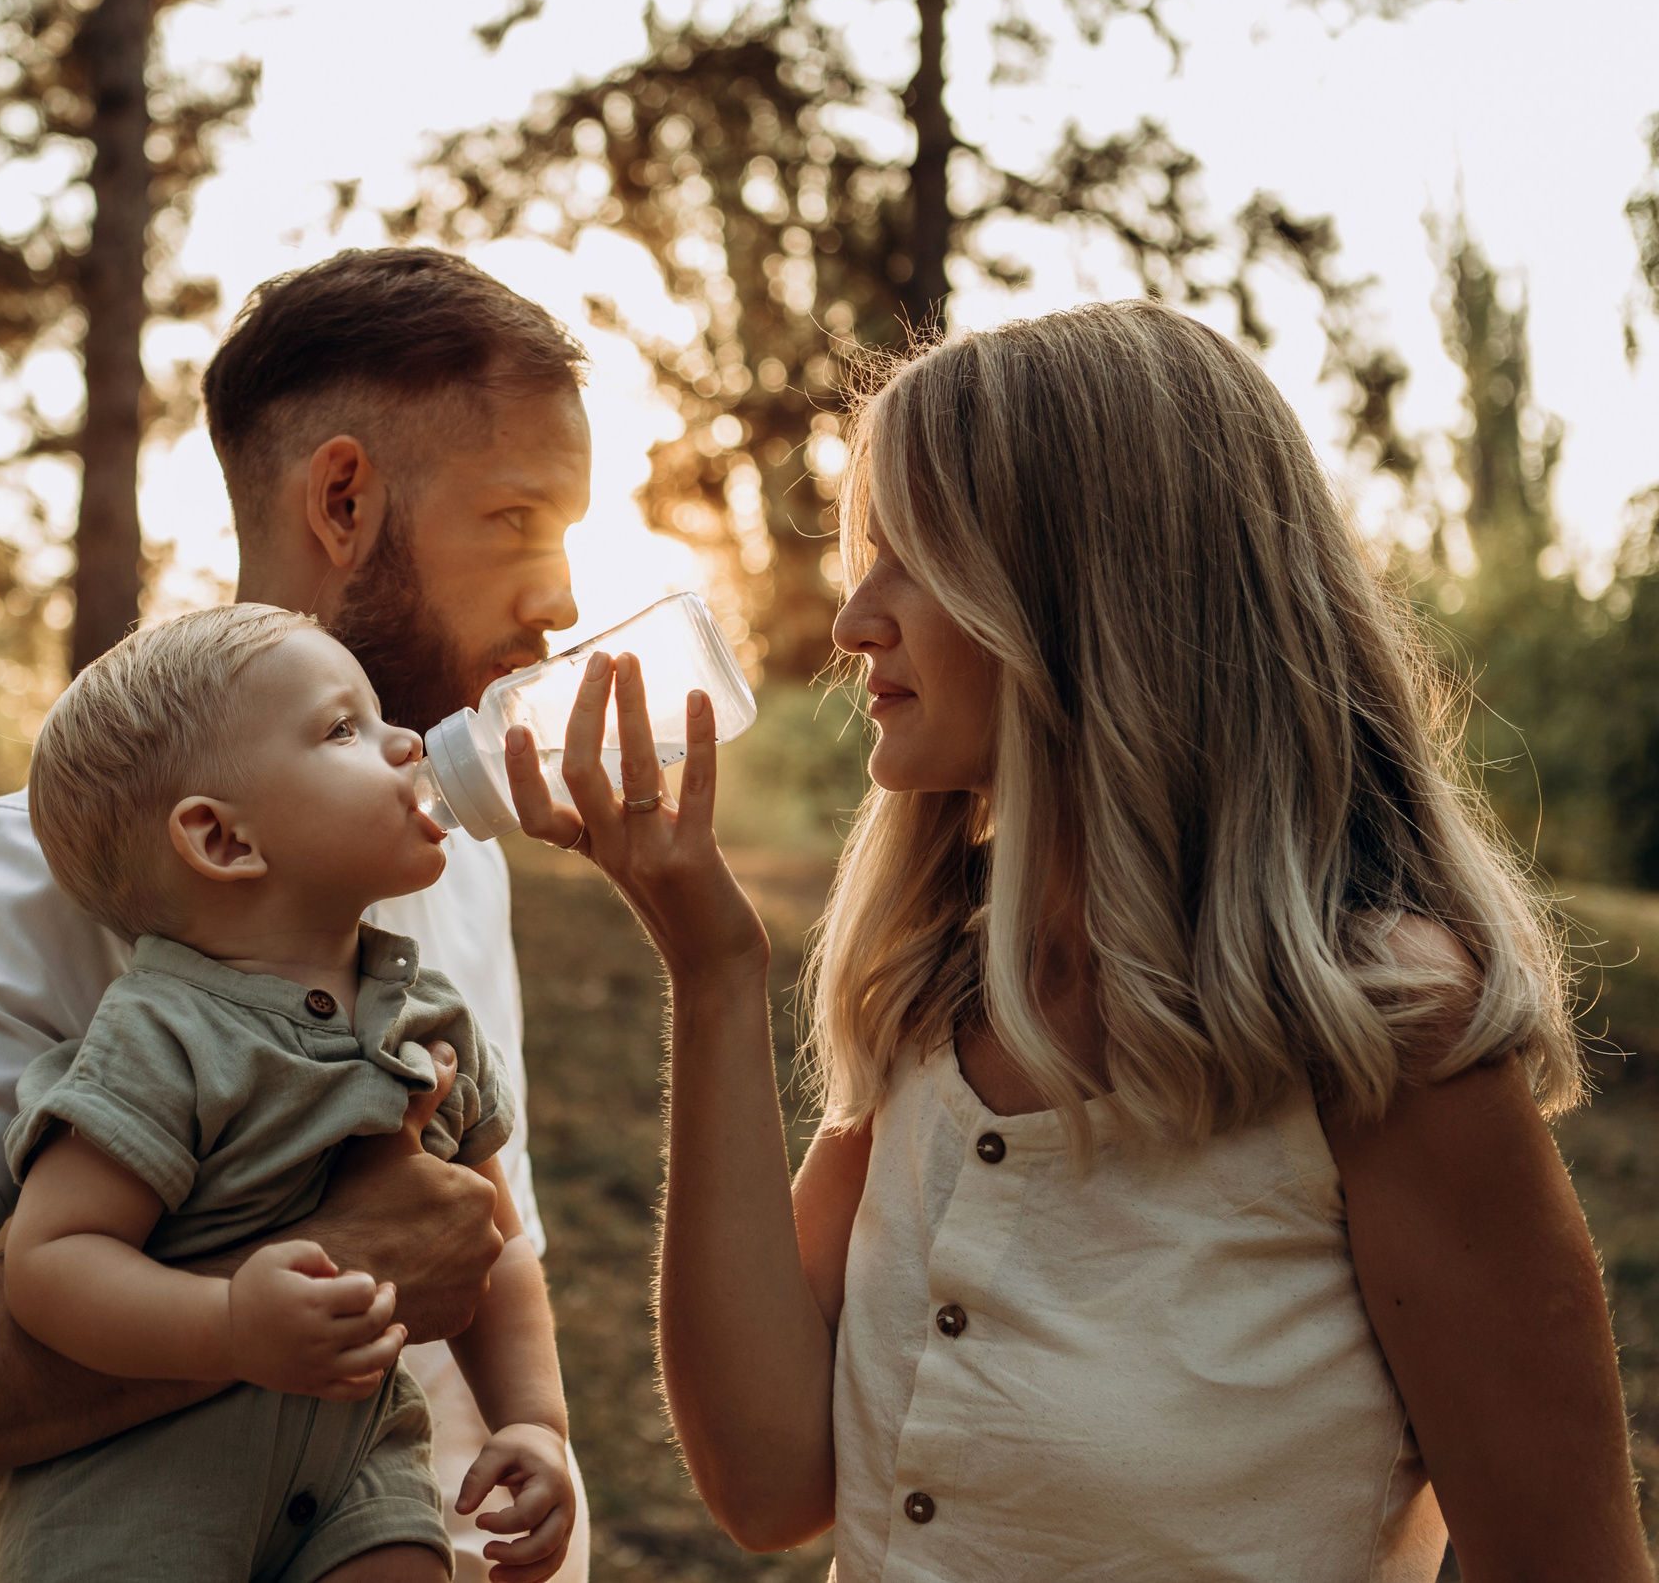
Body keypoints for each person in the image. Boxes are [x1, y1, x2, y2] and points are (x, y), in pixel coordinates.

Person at [500, 302, 1645, 1578]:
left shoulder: (1384, 1034)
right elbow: (769, 1480)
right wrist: (711, 972)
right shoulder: (944, 990)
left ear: (1094, 595)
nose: (851, 622)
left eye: (915, 560)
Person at [0, 247, 599, 1582]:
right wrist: (310, 1270)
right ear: (345, 497)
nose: (562, 596)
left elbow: (475, 1252)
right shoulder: (38, 871)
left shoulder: (443, 855)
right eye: (516, 518)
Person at [0, 604, 573, 1582]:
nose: (404, 741)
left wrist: (535, 1421)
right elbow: (50, 1260)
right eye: (343, 728)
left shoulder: (429, 1021)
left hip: (355, 1476)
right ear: (223, 840)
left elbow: (493, 1241)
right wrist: (227, 1325)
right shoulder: (162, 1034)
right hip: (139, 1505)